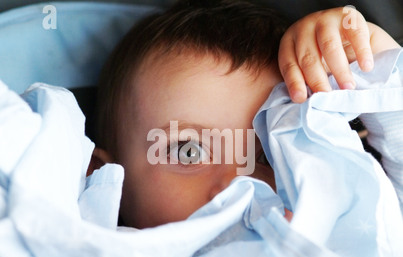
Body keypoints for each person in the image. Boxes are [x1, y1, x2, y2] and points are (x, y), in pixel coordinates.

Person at [89, 0, 400, 229]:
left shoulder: (336, 237)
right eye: (188, 151)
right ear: (100, 178)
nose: (240, 183)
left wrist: (375, 66)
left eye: (269, 155)